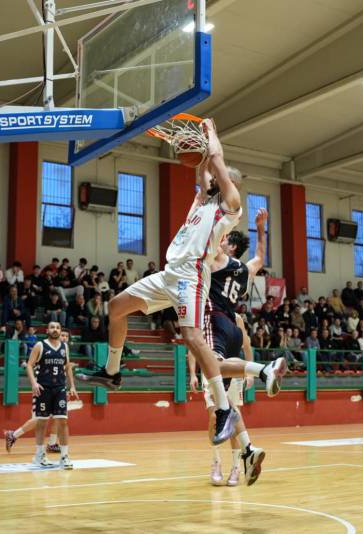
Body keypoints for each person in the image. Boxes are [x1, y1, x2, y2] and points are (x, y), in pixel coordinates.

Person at [77, 119, 278, 445]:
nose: (210, 176)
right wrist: (198, 145)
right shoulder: (202, 199)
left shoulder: (230, 206)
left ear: (227, 183)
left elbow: (214, 160)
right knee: (116, 307)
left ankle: (225, 410)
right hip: (170, 273)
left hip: (192, 275)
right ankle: (113, 372)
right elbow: (203, 168)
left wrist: (211, 133)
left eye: (216, 176)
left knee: (191, 336)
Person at [190, 208, 277, 486]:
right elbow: (261, 257)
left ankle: (263, 370)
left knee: (218, 396)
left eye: (225, 240)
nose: (221, 242)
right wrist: (261, 229)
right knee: (222, 408)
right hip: (232, 329)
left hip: (215, 322)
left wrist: (214, 209)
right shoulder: (245, 271)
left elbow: (209, 238)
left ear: (230, 245)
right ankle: (241, 455)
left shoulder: (219, 259)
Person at [6, 322, 78, 469]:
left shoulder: (65, 347)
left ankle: (64, 456)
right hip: (43, 388)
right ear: (47, 330)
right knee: (42, 422)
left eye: (58, 327)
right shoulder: (40, 345)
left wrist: (72, 386)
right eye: (52, 327)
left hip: (59, 389)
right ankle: (39, 455)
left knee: (62, 422)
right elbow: (29, 365)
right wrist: (33, 383)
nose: (56, 330)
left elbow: (67, 366)